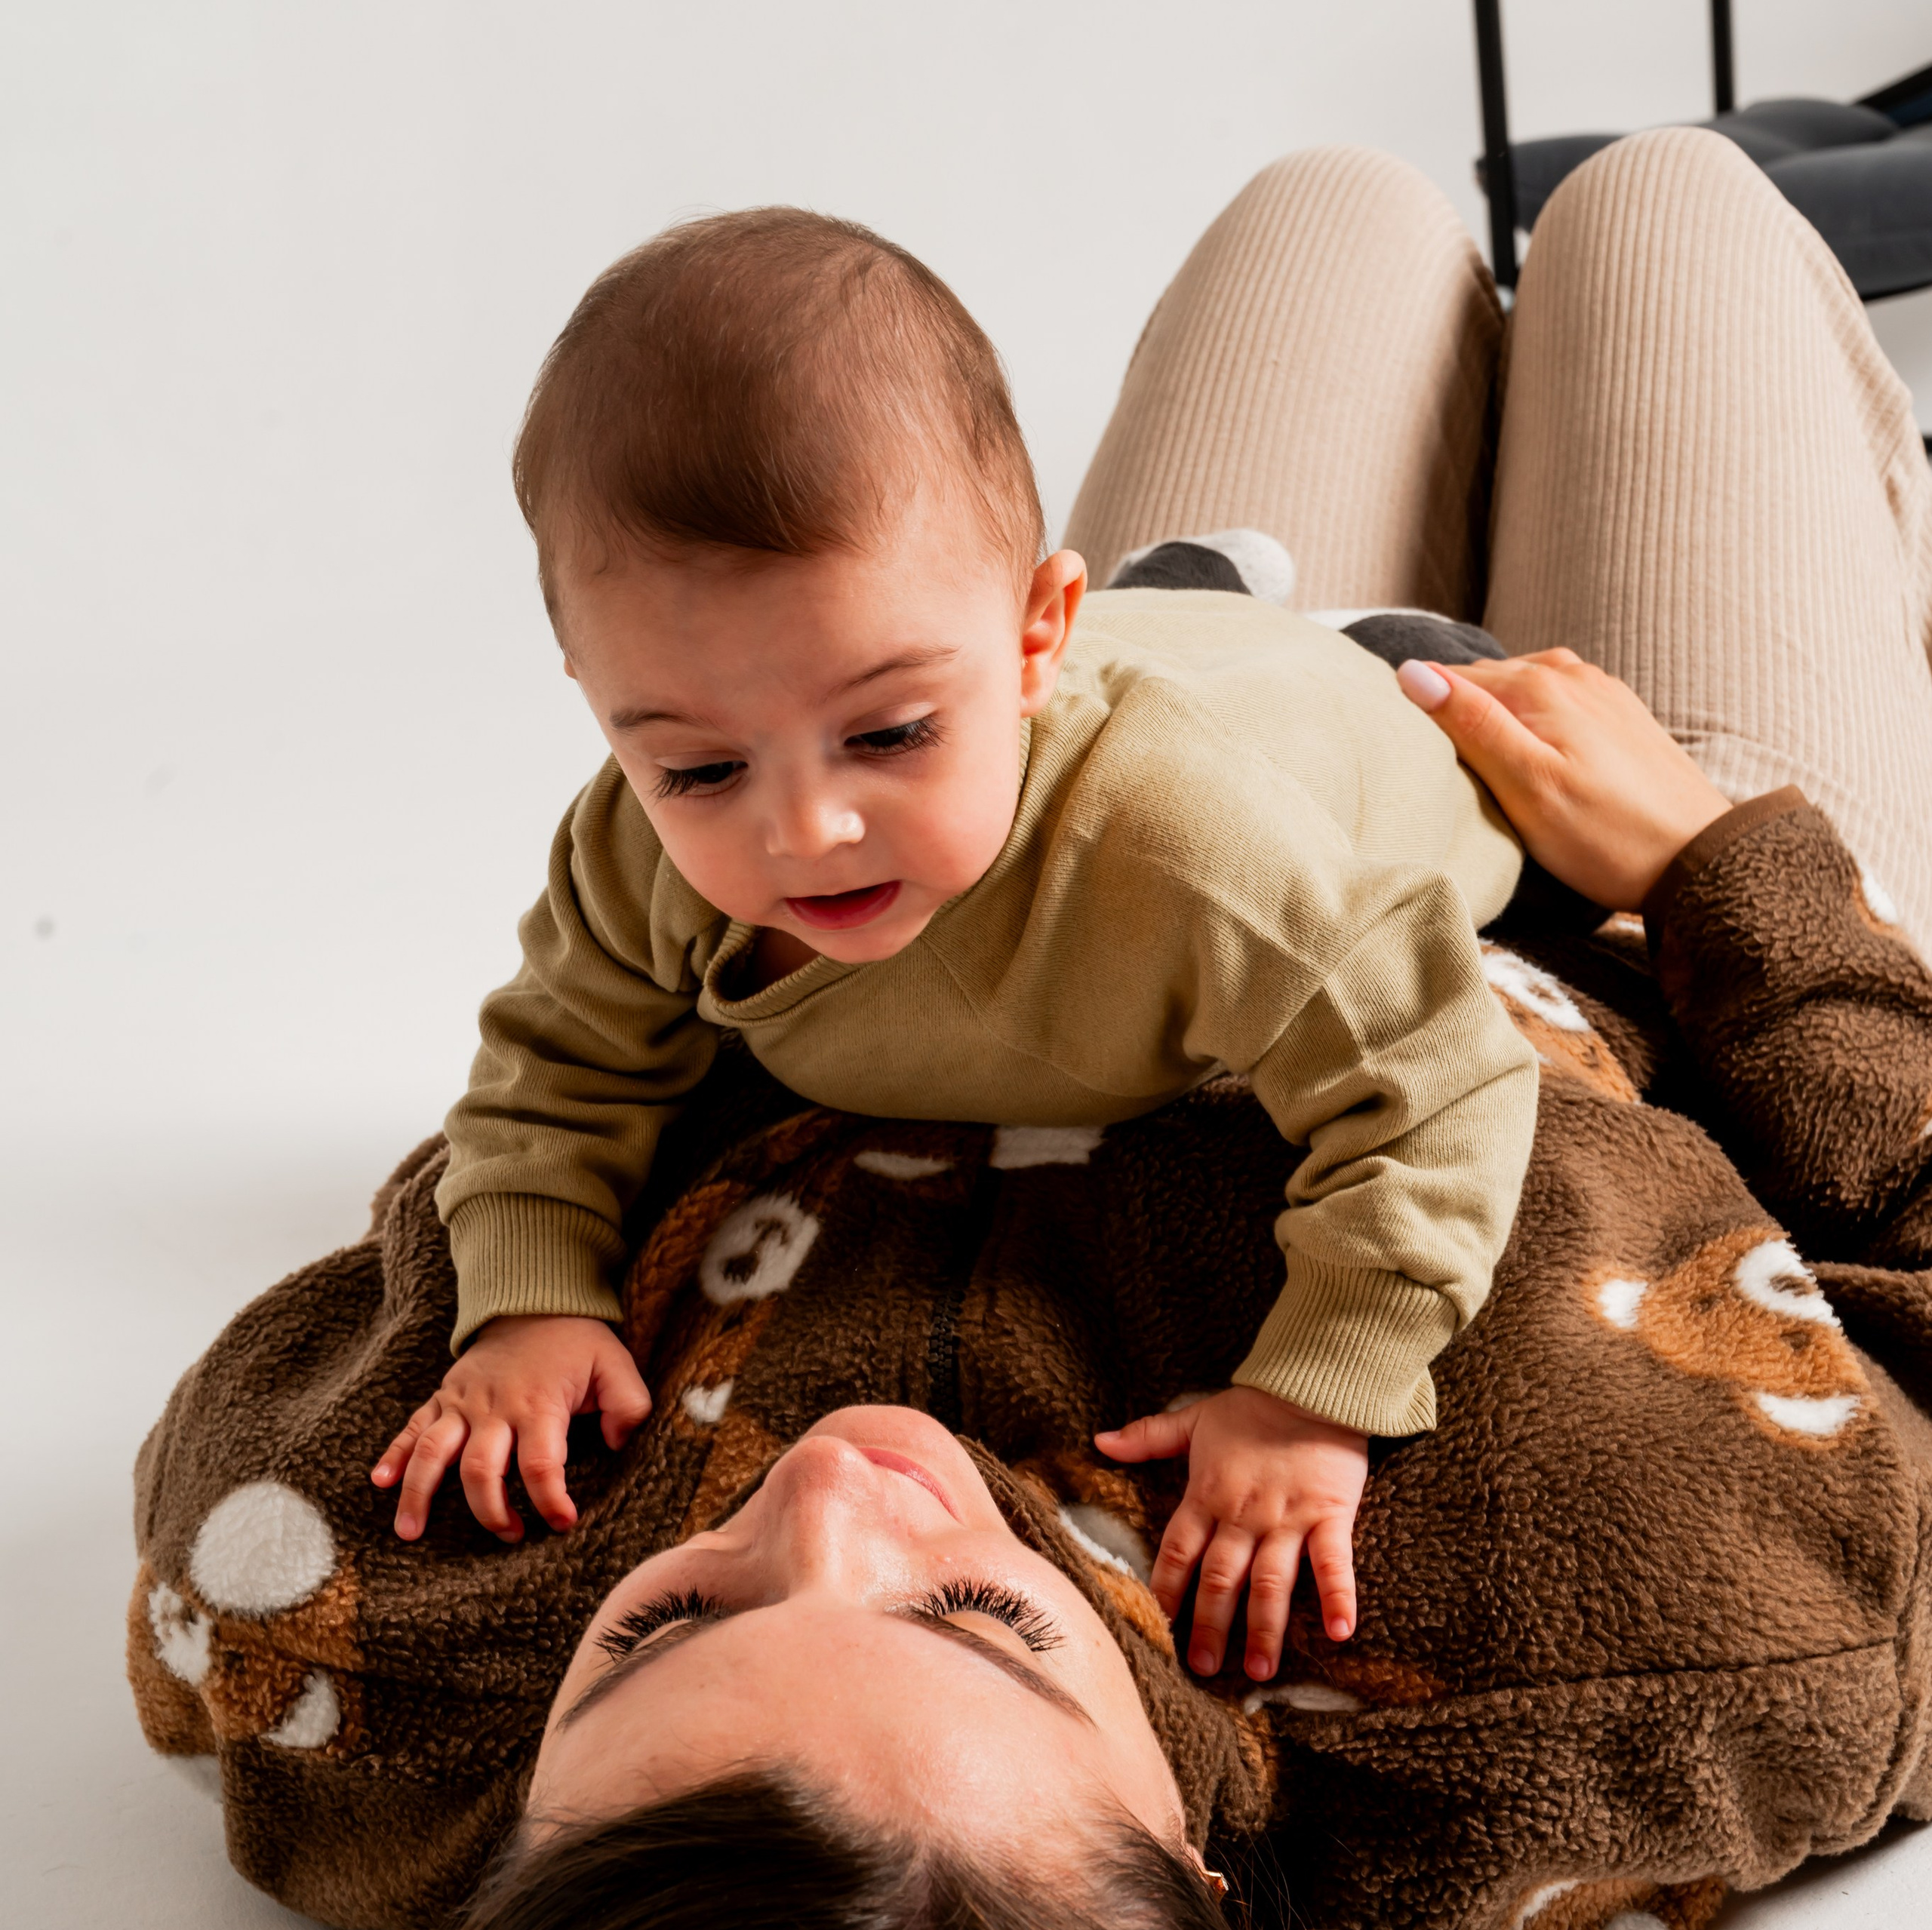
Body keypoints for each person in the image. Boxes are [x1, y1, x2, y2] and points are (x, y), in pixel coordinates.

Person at [16, 128, 1932, 1930]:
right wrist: (1744, 873)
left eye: (661, 1619)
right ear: (1203, 1901)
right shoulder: (1679, 1663)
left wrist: (532, 1293)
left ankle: (1320, 347)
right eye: (990, 1621)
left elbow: (523, 1106)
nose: (833, 1490)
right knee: (1665, 203)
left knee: (1332, 205)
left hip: (1112, 712)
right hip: (1585, 843)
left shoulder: (361, 1651)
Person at [371, 206, 1546, 1683]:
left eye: (887, 733)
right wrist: (530, 1293)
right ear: (598, 701)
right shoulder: (631, 847)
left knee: (1389, 664)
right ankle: (1175, 594)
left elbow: (1441, 1090)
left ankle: (1282, 618)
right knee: (1150, 602)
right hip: (1113, 647)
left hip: (1374, 721)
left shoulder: (1201, 862)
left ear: (1026, 640)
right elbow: (554, 1070)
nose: (805, 833)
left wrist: (1314, 1397)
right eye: (700, 767)